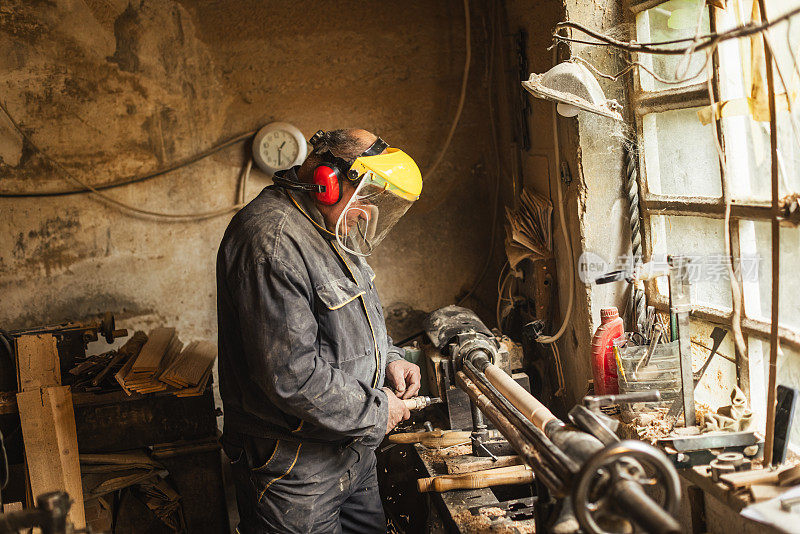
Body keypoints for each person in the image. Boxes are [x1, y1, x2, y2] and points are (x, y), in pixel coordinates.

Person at [216, 128, 424, 533]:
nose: (366, 212)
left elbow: (351, 318)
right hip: (294, 467)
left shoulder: (330, 228)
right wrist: (378, 409)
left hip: (350, 447)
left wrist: (391, 359)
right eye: (364, 195)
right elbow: (291, 376)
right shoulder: (270, 241)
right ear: (326, 181)